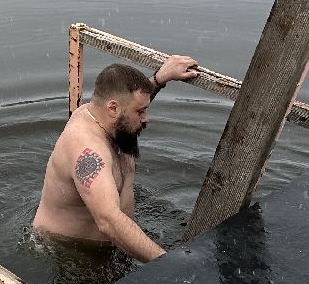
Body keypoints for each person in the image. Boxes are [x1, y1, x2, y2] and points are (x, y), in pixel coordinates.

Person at [32, 56, 199, 262]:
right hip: (73, 255)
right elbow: (108, 221)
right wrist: (169, 265)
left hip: (110, 246)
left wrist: (159, 79)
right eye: (141, 112)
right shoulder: (88, 151)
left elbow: (128, 104)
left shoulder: (101, 115)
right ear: (112, 109)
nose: (146, 118)